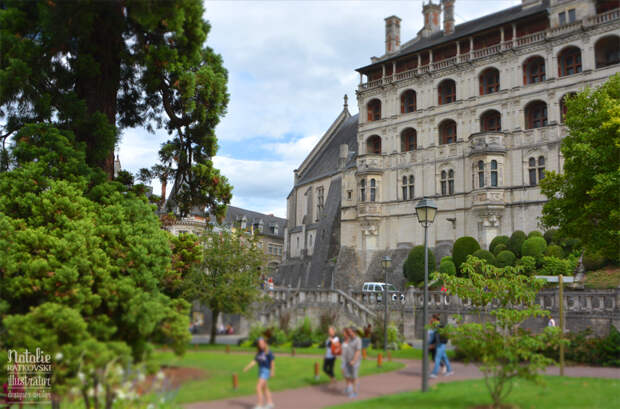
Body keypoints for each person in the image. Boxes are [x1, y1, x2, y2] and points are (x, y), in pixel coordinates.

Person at [243, 337, 275, 409]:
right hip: (260, 370)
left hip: (266, 371)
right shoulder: (259, 352)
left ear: (264, 343)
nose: (260, 345)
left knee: (258, 387)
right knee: (265, 388)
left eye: (261, 343)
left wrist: (272, 371)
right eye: (259, 343)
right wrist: (247, 367)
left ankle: (260, 405)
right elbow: (254, 361)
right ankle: (270, 403)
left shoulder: (268, 352)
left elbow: (272, 362)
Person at [342, 327, 362, 398]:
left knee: (354, 377)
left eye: (350, 332)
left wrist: (354, 360)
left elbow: (358, 351)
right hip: (348, 360)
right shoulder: (349, 339)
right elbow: (345, 348)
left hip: (355, 361)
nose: (349, 333)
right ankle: (349, 387)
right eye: (348, 332)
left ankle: (355, 392)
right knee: (346, 374)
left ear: (354, 332)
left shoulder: (358, 340)